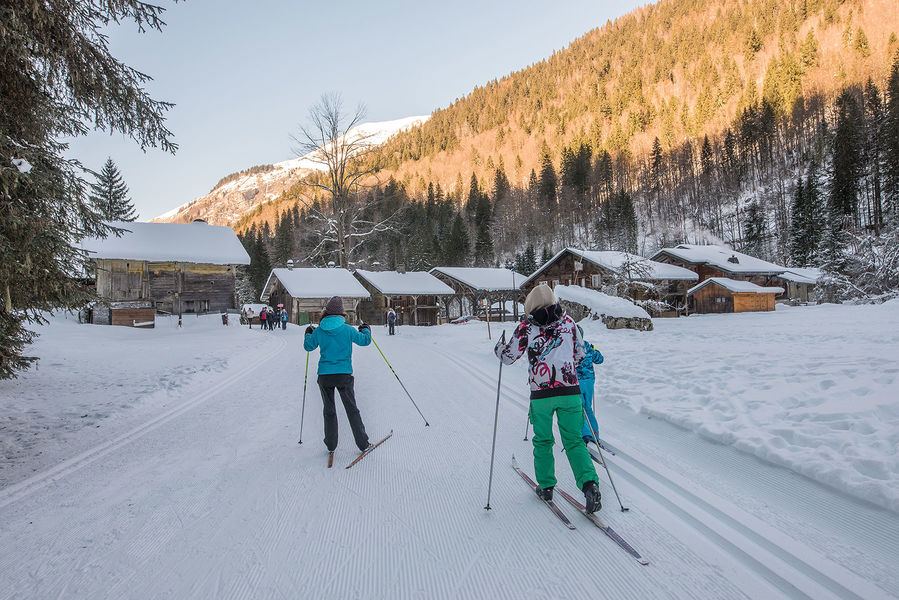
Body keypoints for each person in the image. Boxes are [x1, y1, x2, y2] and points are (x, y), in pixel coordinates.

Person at [494, 285, 601, 513]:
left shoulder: (526, 327)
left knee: (543, 441)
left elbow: (508, 357)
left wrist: (499, 348)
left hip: (541, 395)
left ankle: (546, 487)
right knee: (573, 441)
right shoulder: (569, 323)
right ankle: (590, 485)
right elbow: (581, 355)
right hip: (570, 391)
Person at [304, 296, 373, 454]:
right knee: (351, 409)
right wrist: (365, 329)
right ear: (341, 313)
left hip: (325, 376)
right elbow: (365, 341)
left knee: (329, 410)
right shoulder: (347, 329)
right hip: (344, 375)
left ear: (326, 313)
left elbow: (308, 346)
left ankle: (331, 445)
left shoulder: (320, 330)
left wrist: (308, 333)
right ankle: (363, 444)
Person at [575, 324, 604, 445]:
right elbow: (599, 359)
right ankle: (594, 433)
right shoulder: (588, 346)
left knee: (579, 408)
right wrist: (595, 350)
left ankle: (585, 434)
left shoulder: (569, 347)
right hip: (589, 380)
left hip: (577, 381)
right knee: (588, 407)